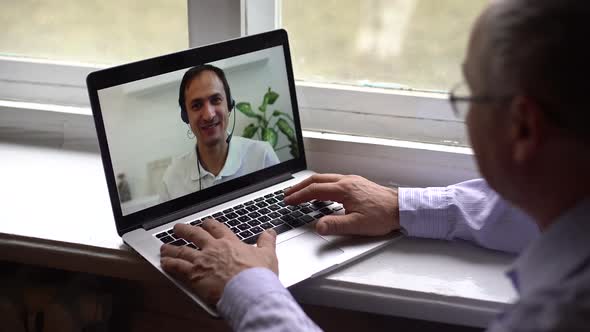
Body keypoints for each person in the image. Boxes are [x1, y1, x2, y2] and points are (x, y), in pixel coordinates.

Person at [160, 0, 590, 330]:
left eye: (472, 94)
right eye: (195, 104)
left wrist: (247, 288)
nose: (208, 112)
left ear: (523, 128)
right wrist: (402, 205)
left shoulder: (561, 315)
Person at [159, 64, 280, 201]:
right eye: (197, 105)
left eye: (215, 100)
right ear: (185, 116)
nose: (209, 115)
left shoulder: (262, 156)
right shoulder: (172, 179)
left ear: (229, 105)